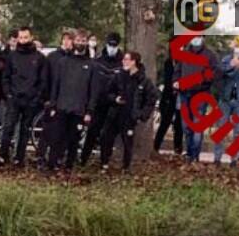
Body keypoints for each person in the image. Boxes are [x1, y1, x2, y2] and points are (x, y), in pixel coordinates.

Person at [99, 51, 158, 174]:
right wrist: (115, 99)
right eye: (124, 59)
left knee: (127, 142)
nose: (124, 62)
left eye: (127, 60)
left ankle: (126, 167)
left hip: (130, 116)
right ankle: (104, 163)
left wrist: (141, 114)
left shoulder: (143, 80)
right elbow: (107, 92)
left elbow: (151, 99)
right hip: (115, 114)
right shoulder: (118, 76)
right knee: (106, 137)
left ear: (134, 62)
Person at [42, 30, 93, 173]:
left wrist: (89, 111)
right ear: (73, 41)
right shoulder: (62, 62)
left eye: (83, 41)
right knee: (56, 138)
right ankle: (51, 165)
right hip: (61, 107)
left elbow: (92, 90)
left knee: (73, 140)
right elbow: (56, 85)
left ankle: (69, 167)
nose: (80, 43)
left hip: (78, 110)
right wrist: (52, 104)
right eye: (78, 40)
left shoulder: (91, 65)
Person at [0, 26, 48, 167]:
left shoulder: (39, 58)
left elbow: (42, 81)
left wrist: (36, 98)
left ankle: (19, 158)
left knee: (24, 130)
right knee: (8, 127)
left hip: (30, 100)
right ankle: (3, 156)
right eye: (20, 37)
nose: (23, 40)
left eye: (26, 37)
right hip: (14, 98)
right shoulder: (12, 56)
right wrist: (8, 94)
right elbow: (6, 77)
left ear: (31, 37)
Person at [80, 30, 122, 166]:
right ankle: (83, 159)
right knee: (92, 132)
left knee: (108, 135)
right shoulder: (97, 61)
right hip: (98, 103)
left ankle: (105, 161)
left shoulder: (122, 63)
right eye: (110, 45)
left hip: (114, 104)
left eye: (114, 45)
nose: (112, 48)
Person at [176, 35, 216, 162]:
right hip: (184, 94)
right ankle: (189, 153)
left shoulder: (210, 55)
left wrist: (198, 82)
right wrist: (175, 82)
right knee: (185, 126)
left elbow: (213, 73)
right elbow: (177, 71)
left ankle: (195, 156)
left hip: (200, 95)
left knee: (197, 127)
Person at [212, 40, 239, 165]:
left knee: (238, 132)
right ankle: (217, 158)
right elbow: (220, 72)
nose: (238, 48)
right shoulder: (226, 59)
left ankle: (234, 159)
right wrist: (231, 65)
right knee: (221, 129)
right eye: (236, 46)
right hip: (225, 99)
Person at [153, 53, 183, 154]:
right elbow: (166, 80)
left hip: (179, 96)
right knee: (164, 123)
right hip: (168, 97)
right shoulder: (168, 62)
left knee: (178, 125)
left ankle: (178, 148)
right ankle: (156, 147)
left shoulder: (183, 63)